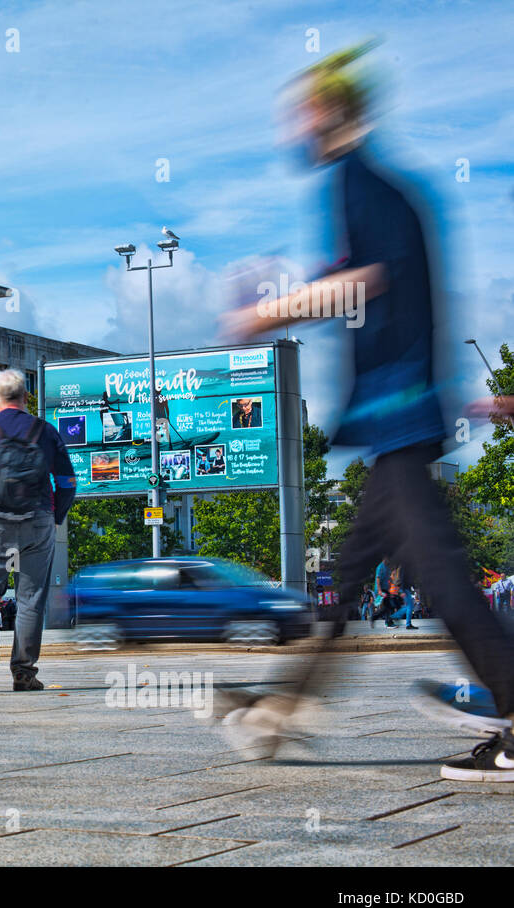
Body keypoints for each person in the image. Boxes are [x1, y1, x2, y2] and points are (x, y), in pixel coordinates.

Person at [219, 42, 514, 780]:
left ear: (328, 112)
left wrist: (272, 312)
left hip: (402, 412)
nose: (294, 130)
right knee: (349, 577)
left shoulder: (358, 179)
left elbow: (369, 278)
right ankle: (276, 712)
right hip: (397, 418)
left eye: (301, 113)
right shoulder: (375, 186)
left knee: (441, 577)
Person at [0, 368, 77, 691]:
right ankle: (24, 673)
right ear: (27, 397)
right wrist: (56, 516)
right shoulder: (46, 431)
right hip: (37, 521)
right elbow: (68, 482)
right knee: (30, 598)